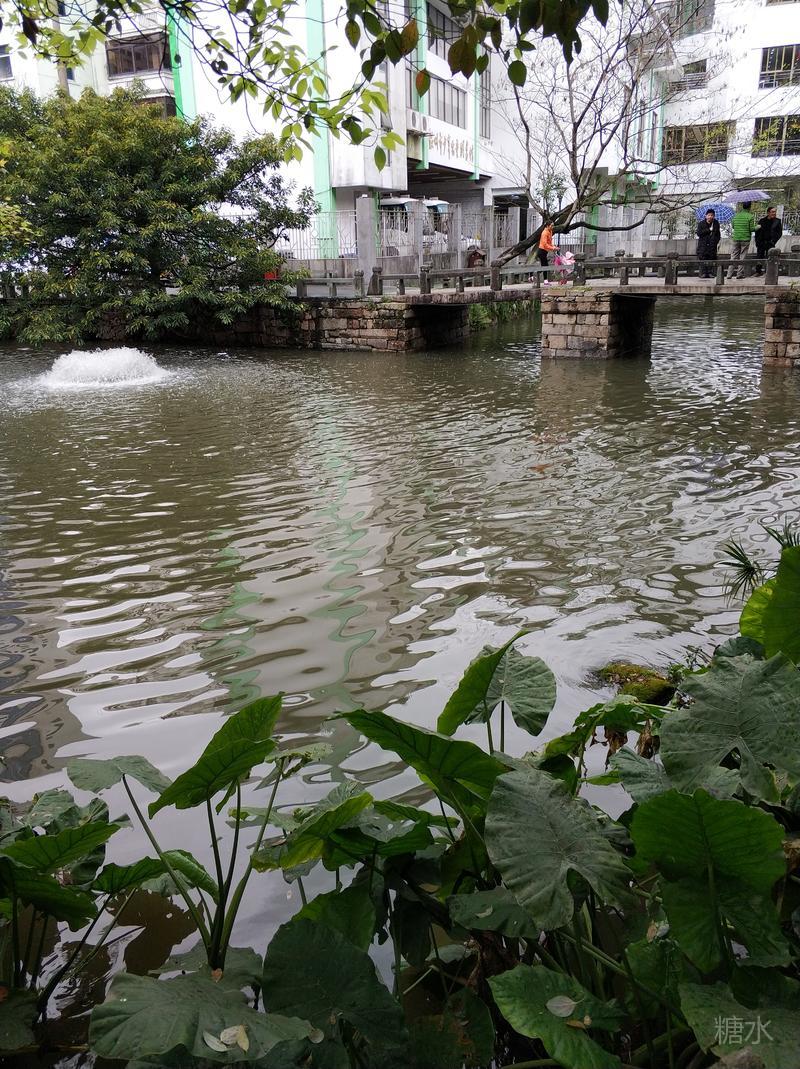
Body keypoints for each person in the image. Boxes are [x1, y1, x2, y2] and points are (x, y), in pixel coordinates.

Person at [727, 201, 756, 279]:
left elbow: (733, 226)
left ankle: (729, 274)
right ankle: (739, 274)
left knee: (733, 256)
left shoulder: (736, 215)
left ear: (743, 206)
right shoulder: (750, 216)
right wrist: (758, 227)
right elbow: (752, 229)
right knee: (742, 256)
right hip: (745, 239)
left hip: (736, 238)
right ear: (750, 207)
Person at [754, 206, 783, 275]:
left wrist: (774, 241)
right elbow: (757, 232)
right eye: (772, 212)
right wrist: (757, 241)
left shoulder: (777, 221)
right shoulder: (762, 221)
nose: (774, 213)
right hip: (761, 242)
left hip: (770, 242)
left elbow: (779, 233)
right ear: (768, 213)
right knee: (759, 257)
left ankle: (768, 272)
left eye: (775, 212)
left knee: (770, 257)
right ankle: (758, 271)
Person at [696, 208, 721, 278]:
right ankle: (703, 273)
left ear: (714, 216)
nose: (710, 217)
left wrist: (715, 241)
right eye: (709, 215)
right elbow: (699, 233)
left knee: (711, 258)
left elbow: (718, 234)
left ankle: (710, 272)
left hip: (712, 245)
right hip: (703, 245)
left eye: (712, 215)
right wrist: (708, 230)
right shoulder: (701, 223)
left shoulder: (716, 223)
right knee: (703, 258)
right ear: (706, 216)